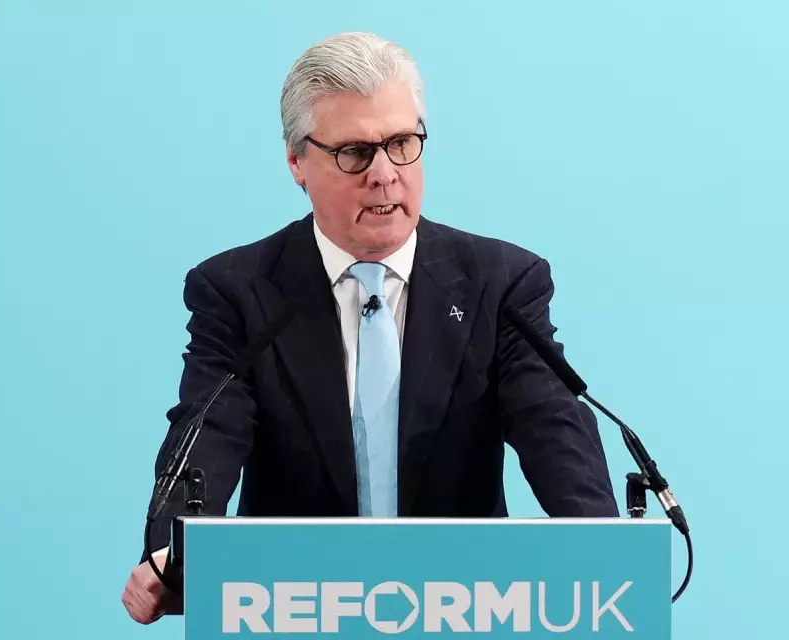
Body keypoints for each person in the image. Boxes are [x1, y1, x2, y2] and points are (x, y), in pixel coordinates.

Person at [121, 31, 618, 624]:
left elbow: (553, 425)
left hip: (465, 610)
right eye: (355, 152)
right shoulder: (239, 292)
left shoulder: (500, 284)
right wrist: (175, 552)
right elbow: (208, 432)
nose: (385, 174)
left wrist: (607, 554)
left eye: (402, 143)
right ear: (296, 162)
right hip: (294, 610)